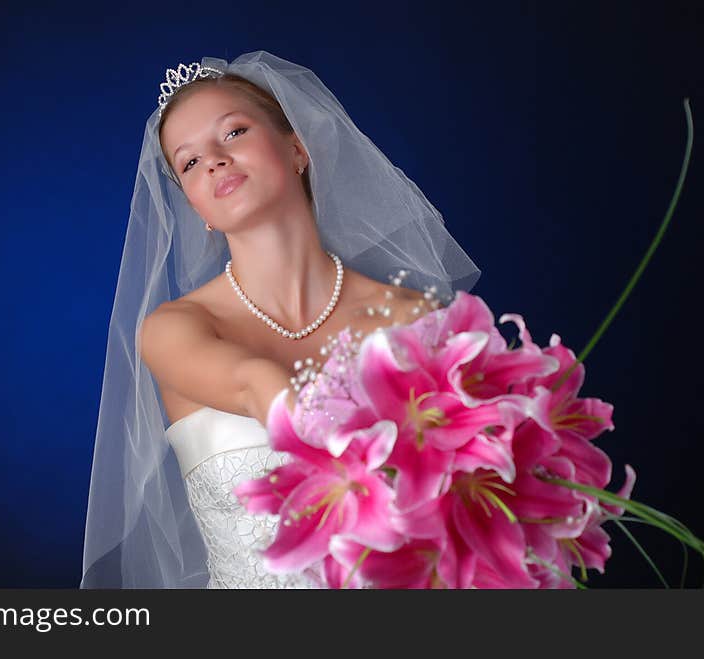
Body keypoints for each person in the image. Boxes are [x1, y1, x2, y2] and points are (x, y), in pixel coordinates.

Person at [80, 51, 481, 589]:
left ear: (297, 149)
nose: (215, 161)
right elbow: (255, 384)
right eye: (190, 162)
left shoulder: (414, 319)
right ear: (197, 209)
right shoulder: (175, 328)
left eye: (234, 132)